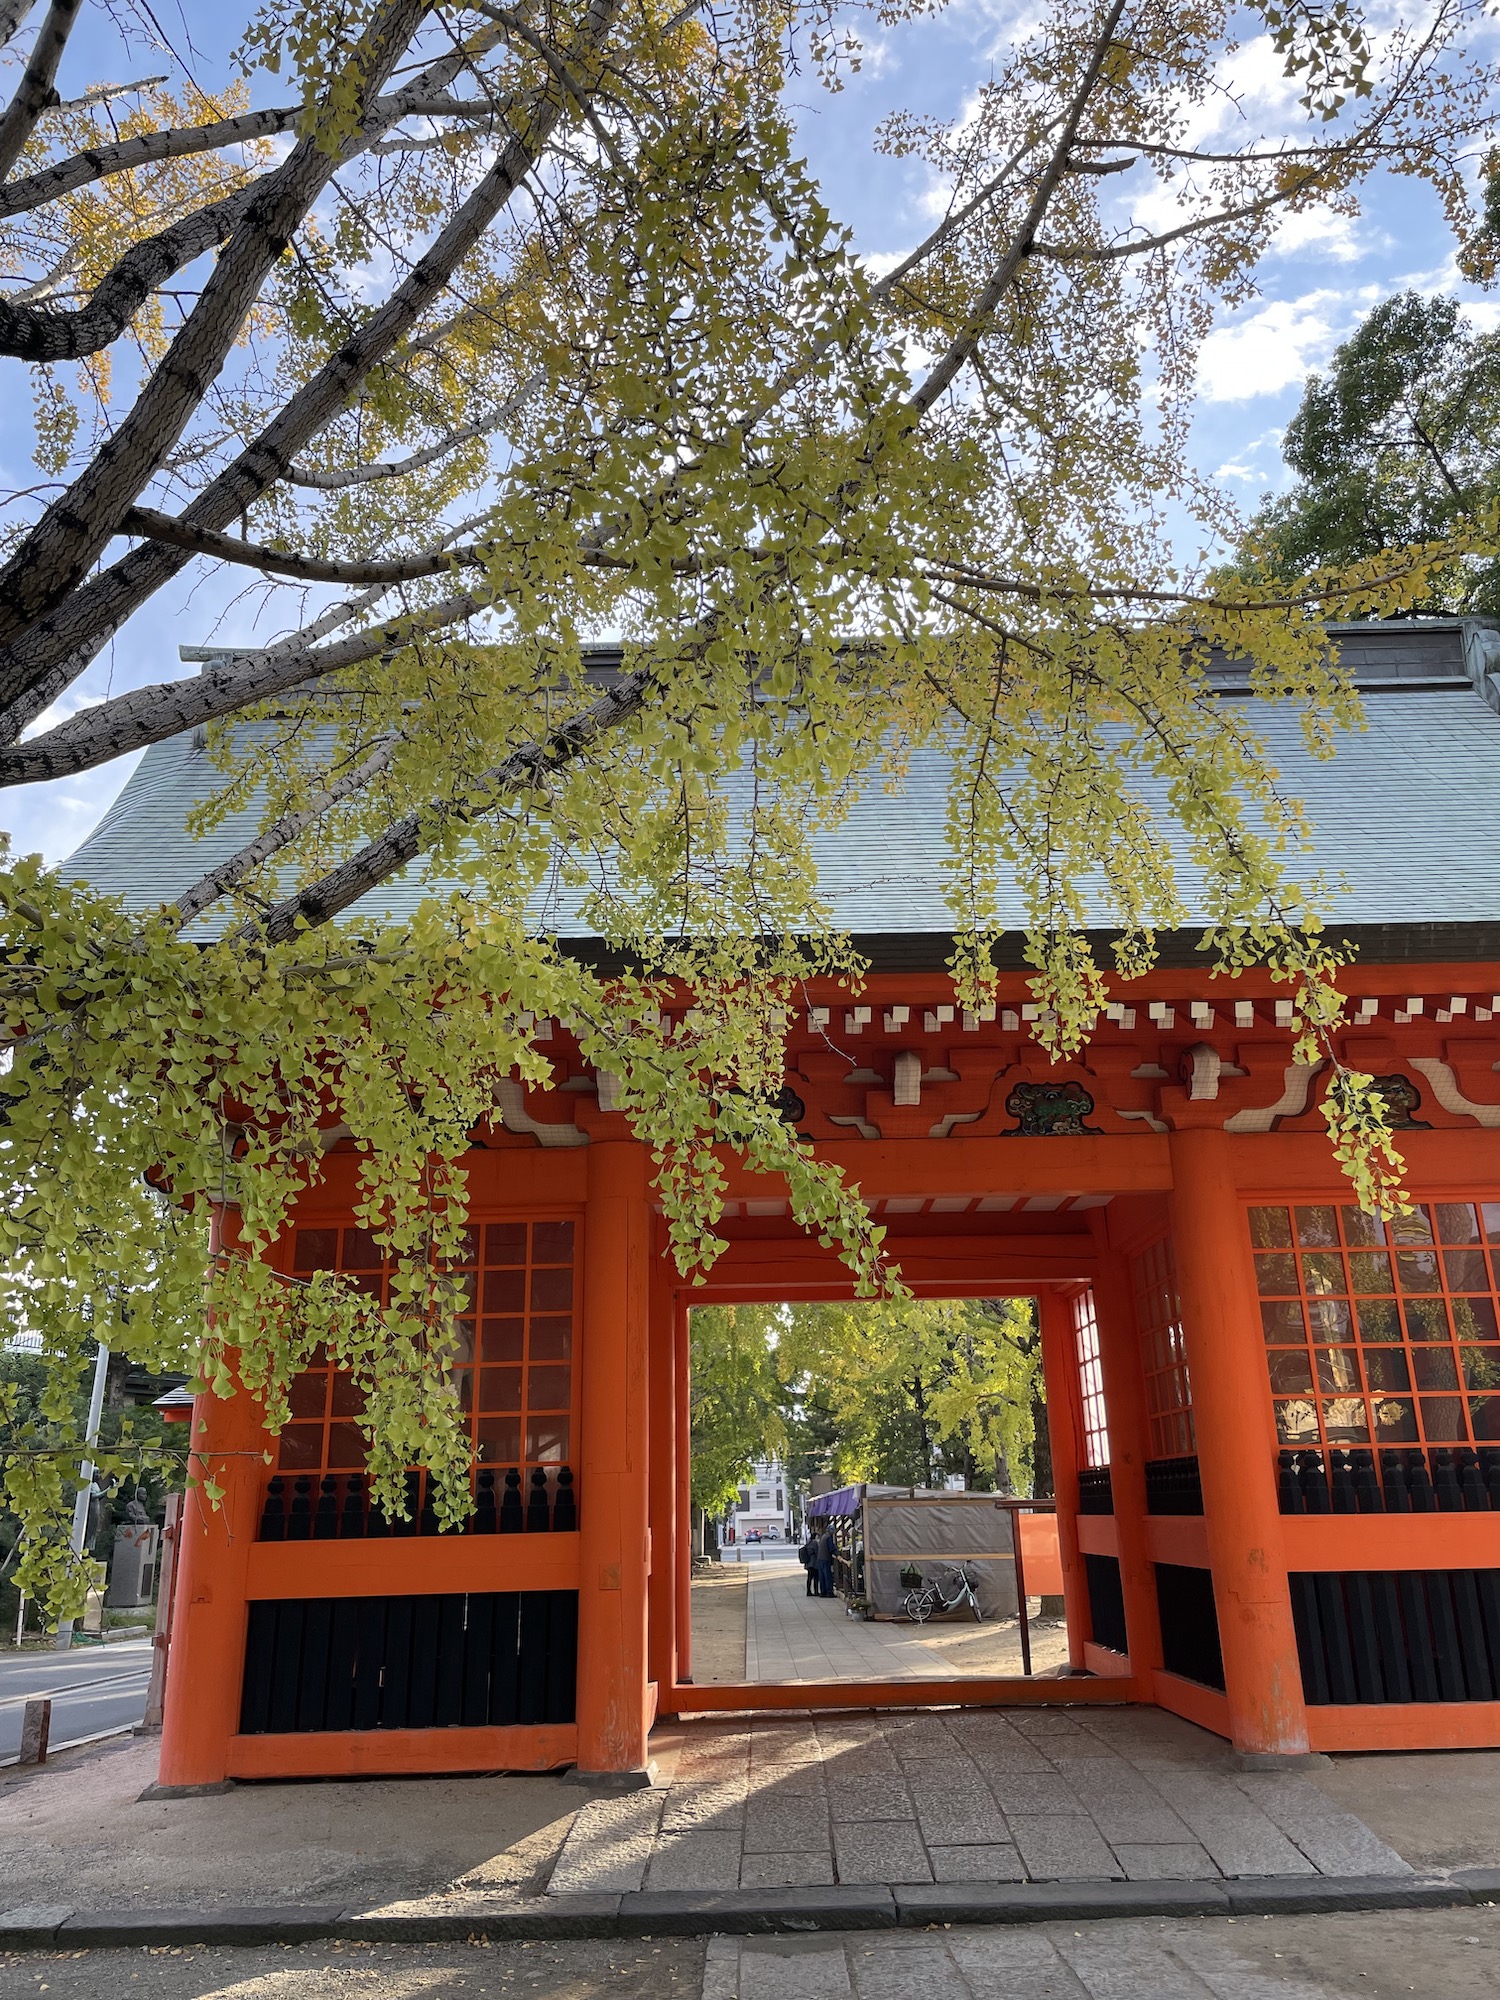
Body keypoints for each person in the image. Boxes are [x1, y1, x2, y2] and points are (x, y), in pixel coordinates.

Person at [799, 1523, 818, 1596]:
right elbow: (817, 1552)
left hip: (808, 1563)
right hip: (814, 1564)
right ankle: (815, 1591)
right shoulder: (814, 1543)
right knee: (815, 1578)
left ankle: (808, 1591)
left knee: (809, 1578)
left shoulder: (808, 1543)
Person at [817, 1526, 836, 1598]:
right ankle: (829, 1592)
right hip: (825, 1559)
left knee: (822, 1577)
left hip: (820, 1559)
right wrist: (837, 1554)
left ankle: (823, 1592)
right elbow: (831, 1548)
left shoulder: (823, 1536)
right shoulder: (828, 1538)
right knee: (827, 1576)